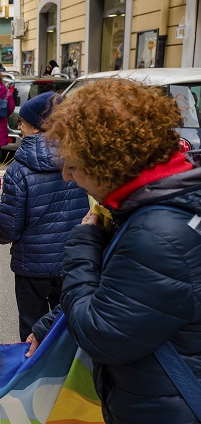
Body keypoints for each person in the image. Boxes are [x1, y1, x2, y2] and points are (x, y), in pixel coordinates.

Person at [26, 79, 201, 423]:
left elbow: (101, 334)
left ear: (107, 163)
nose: (66, 176)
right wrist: (50, 325)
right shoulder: (159, 199)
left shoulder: (156, 233)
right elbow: (122, 291)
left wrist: (83, 241)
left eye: (73, 166)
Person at [0, 92, 89, 341]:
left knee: (32, 329)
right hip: (70, 258)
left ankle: (32, 373)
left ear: (37, 126)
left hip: (32, 264)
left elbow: (10, 228)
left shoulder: (19, 170)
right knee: (64, 324)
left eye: (22, 122)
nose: (19, 127)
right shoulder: (78, 159)